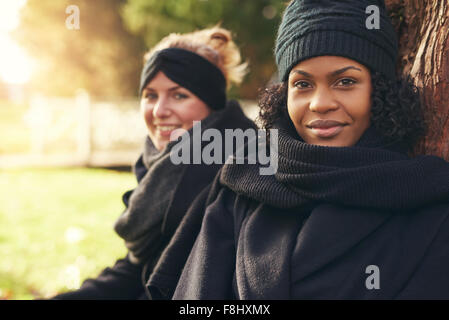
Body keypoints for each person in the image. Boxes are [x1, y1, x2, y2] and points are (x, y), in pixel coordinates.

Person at [147, 0, 449, 299]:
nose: (320, 103)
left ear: (379, 90)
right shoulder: (242, 186)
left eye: (345, 81)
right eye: (302, 84)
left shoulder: (425, 203)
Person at [52, 26, 255, 299]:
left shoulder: (232, 172)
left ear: (211, 104)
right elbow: (139, 269)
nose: (159, 111)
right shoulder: (164, 165)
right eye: (150, 95)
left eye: (179, 95)